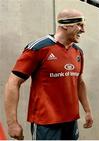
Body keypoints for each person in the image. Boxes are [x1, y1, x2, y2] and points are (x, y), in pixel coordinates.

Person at [4, 9, 93, 140]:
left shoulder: (78, 52)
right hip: (45, 123)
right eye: (80, 25)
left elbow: (79, 82)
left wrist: (88, 111)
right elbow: (12, 83)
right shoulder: (38, 48)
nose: (83, 30)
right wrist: (12, 123)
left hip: (71, 122)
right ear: (65, 25)